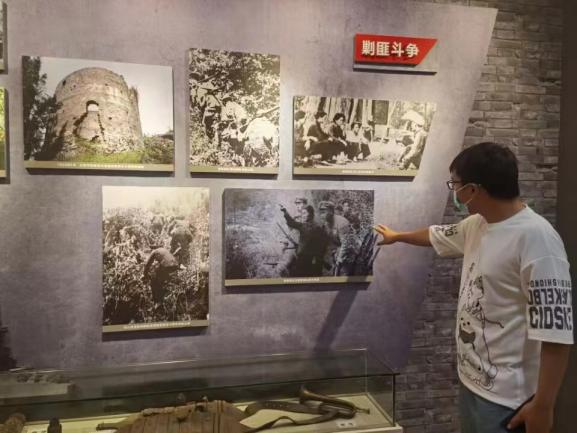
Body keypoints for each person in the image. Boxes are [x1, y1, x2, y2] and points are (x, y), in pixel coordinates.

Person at [375, 142, 573, 433]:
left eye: (455, 184)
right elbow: (437, 235)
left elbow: (555, 333)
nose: (453, 191)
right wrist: (398, 236)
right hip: (472, 383)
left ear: (472, 190)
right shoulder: (477, 225)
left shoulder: (538, 240)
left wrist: (543, 406)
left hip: (509, 400)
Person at [280, 204, 327, 276]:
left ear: (310, 214)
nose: (302, 215)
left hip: (311, 259)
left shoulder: (318, 228)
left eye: (304, 213)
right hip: (301, 258)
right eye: (302, 213)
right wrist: (285, 211)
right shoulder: (303, 225)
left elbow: (322, 245)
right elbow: (291, 222)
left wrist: (317, 258)